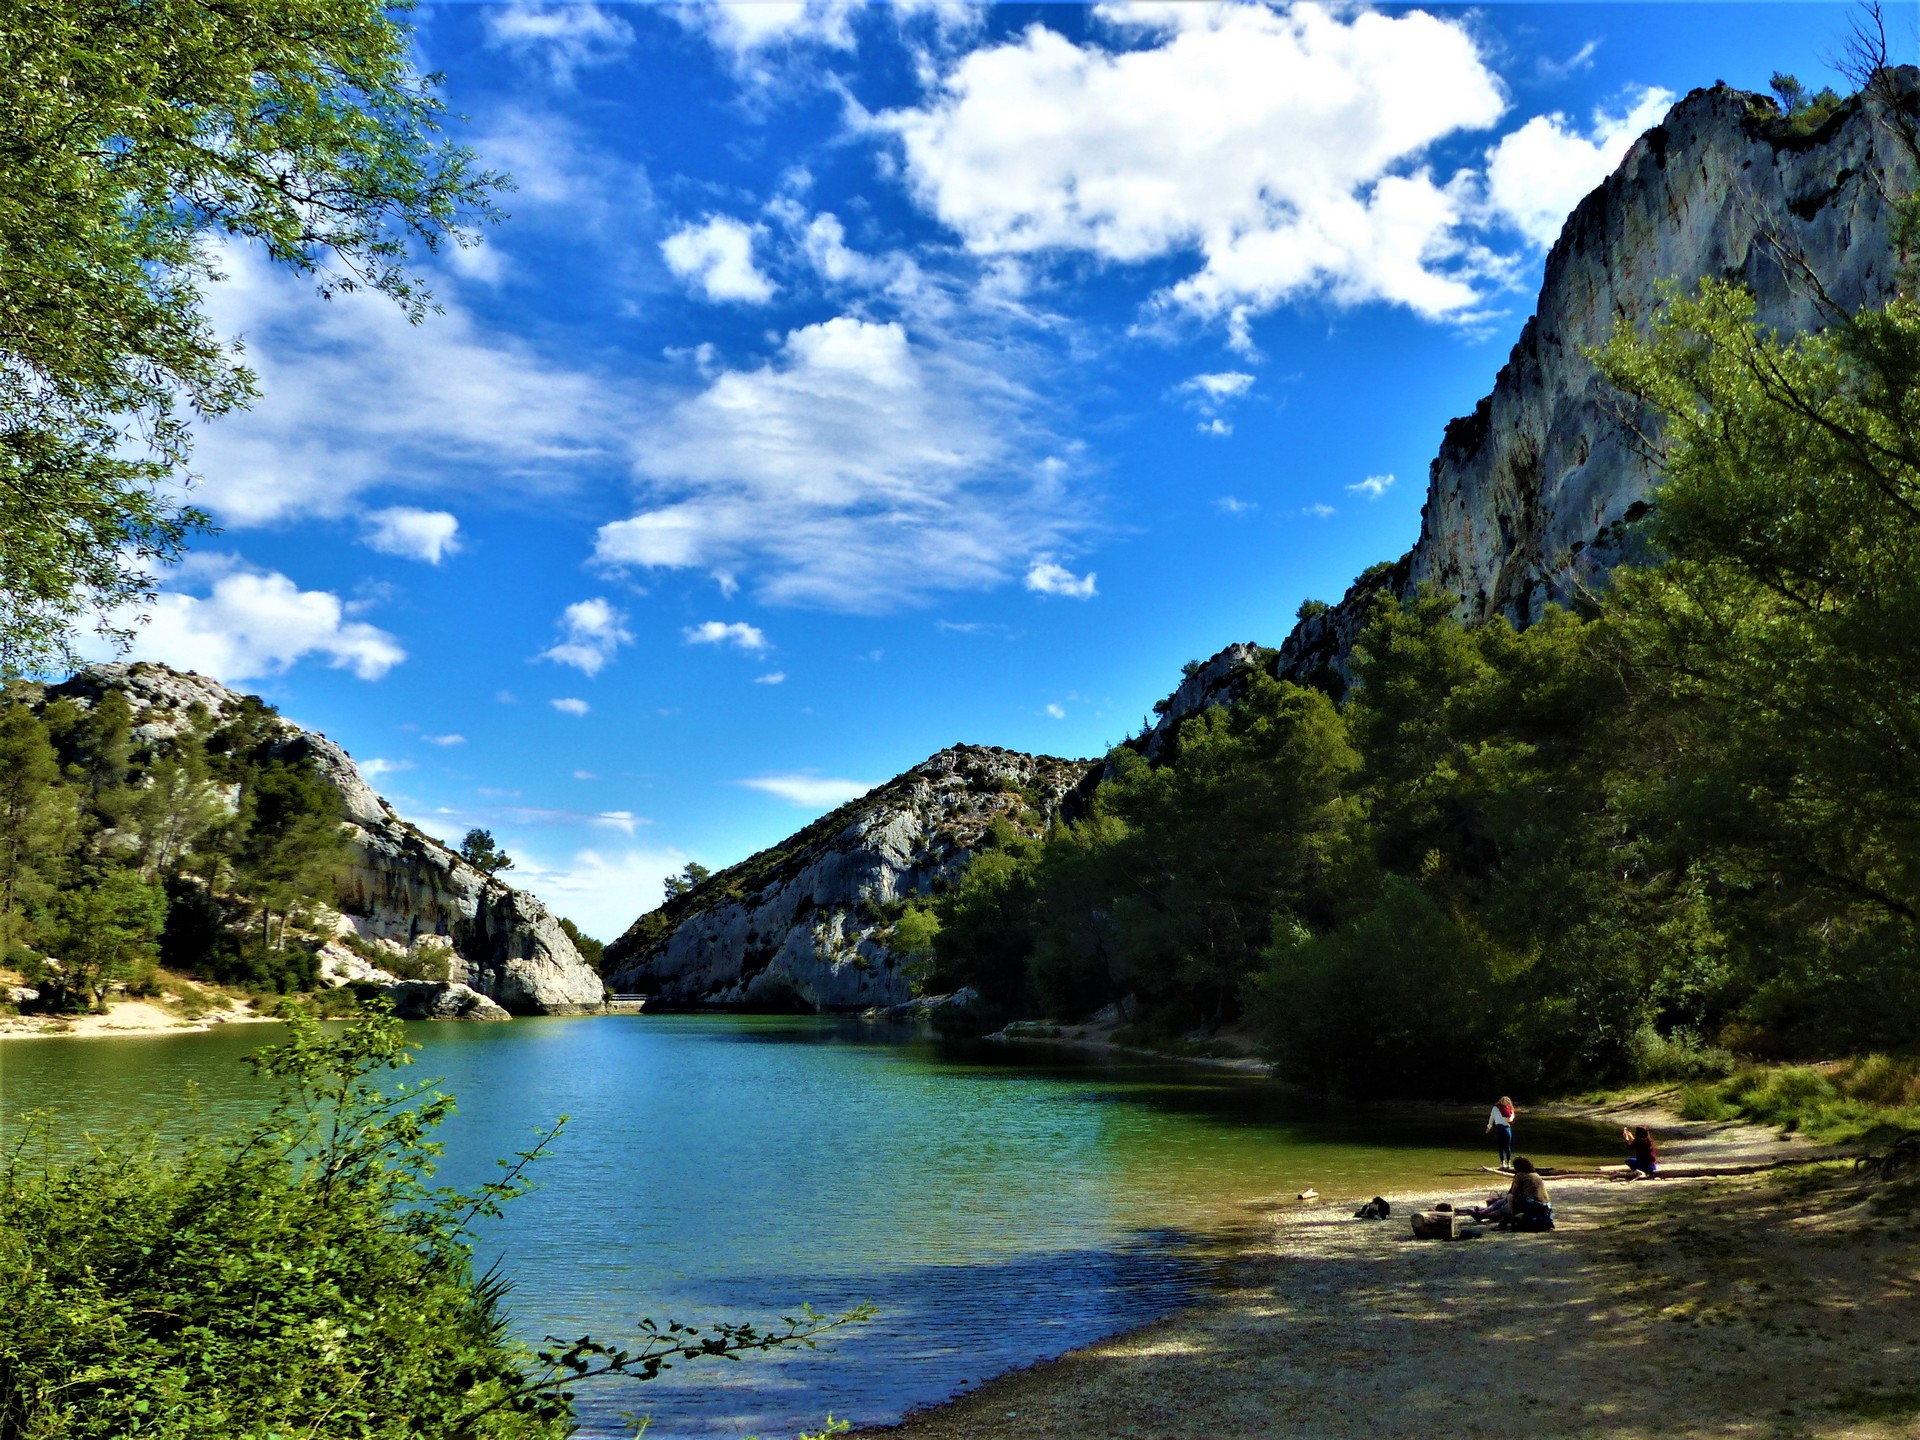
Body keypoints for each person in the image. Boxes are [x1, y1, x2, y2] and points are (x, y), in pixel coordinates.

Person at [1466, 1157, 1554, 1230]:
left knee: (1507, 1202)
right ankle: (1482, 1213)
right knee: (1504, 1201)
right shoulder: (1535, 1174)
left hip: (1532, 1205)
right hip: (1544, 1205)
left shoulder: (1520, 1175)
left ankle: (1483, 1214)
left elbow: (1513, 1192)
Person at [1486, 1094, 1517, 1169]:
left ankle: (1506, 1162)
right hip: (1503, 1129)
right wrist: (1489, 1127)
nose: (1504, 1102)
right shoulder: (1507, 1109)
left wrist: (1489, 1127)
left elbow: (1491, 1119)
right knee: (1504, 1146)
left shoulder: (1506, 1109)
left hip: (1502, 1129)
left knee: (1504, 1146)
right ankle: (1505, 1163)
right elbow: (1492, 1118)